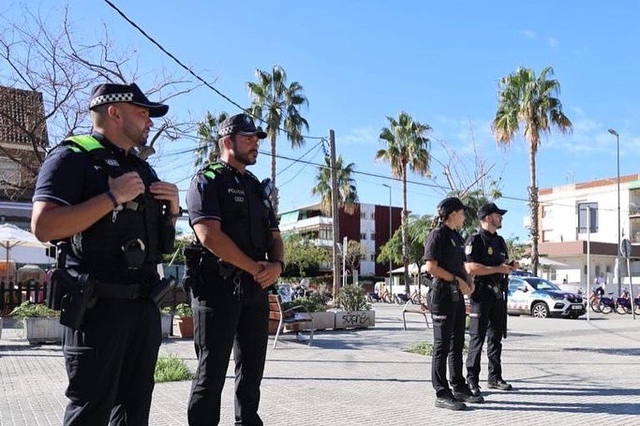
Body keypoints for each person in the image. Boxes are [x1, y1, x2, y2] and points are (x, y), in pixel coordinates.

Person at [31, 83, 180, 425]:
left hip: (142, 307)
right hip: (97, 310)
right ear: (114, 112)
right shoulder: (71, 157)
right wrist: (111, 198)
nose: (150, 122)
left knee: (134, 411)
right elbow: (44, 226)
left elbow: (159, 247)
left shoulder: (143, 170)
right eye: (142, 113)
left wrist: (171, 213)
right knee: (91, 412)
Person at [185, 113, 284, 425]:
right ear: (228, 142)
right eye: (248, 138)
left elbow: (275, 236)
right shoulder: (207, 180)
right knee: (210, 373)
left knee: (252, 372)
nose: (256, 144)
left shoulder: (256, 187)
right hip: (216, 290)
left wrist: (277, 266)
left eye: (257, 139)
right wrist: (256, 267)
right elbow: (209, 235)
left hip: (255, 291)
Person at [424, 196, 479, 411]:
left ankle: (458, 386)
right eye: (463, 213)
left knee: (457, 343)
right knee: (442, 345)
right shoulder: (437, 236)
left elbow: (460, 266)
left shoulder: (456, 237)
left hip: (456, 296)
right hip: (441, 296)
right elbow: (431, 267)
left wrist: (469, 281)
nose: (464, 217)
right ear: (454, 214)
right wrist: (457, 280)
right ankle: (441, 391)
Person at [464, 202, 516, 398]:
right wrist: (498, 269)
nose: (501, 218)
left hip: (498, 295)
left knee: (495, 338)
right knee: (477, 338)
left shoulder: (500, 241)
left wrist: (509, 265)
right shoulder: (475, 240)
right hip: (481, 294)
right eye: (497, 215)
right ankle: (472, 380)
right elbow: (471, 268)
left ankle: (494, 377)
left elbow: (502, 263)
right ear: (487, 217)